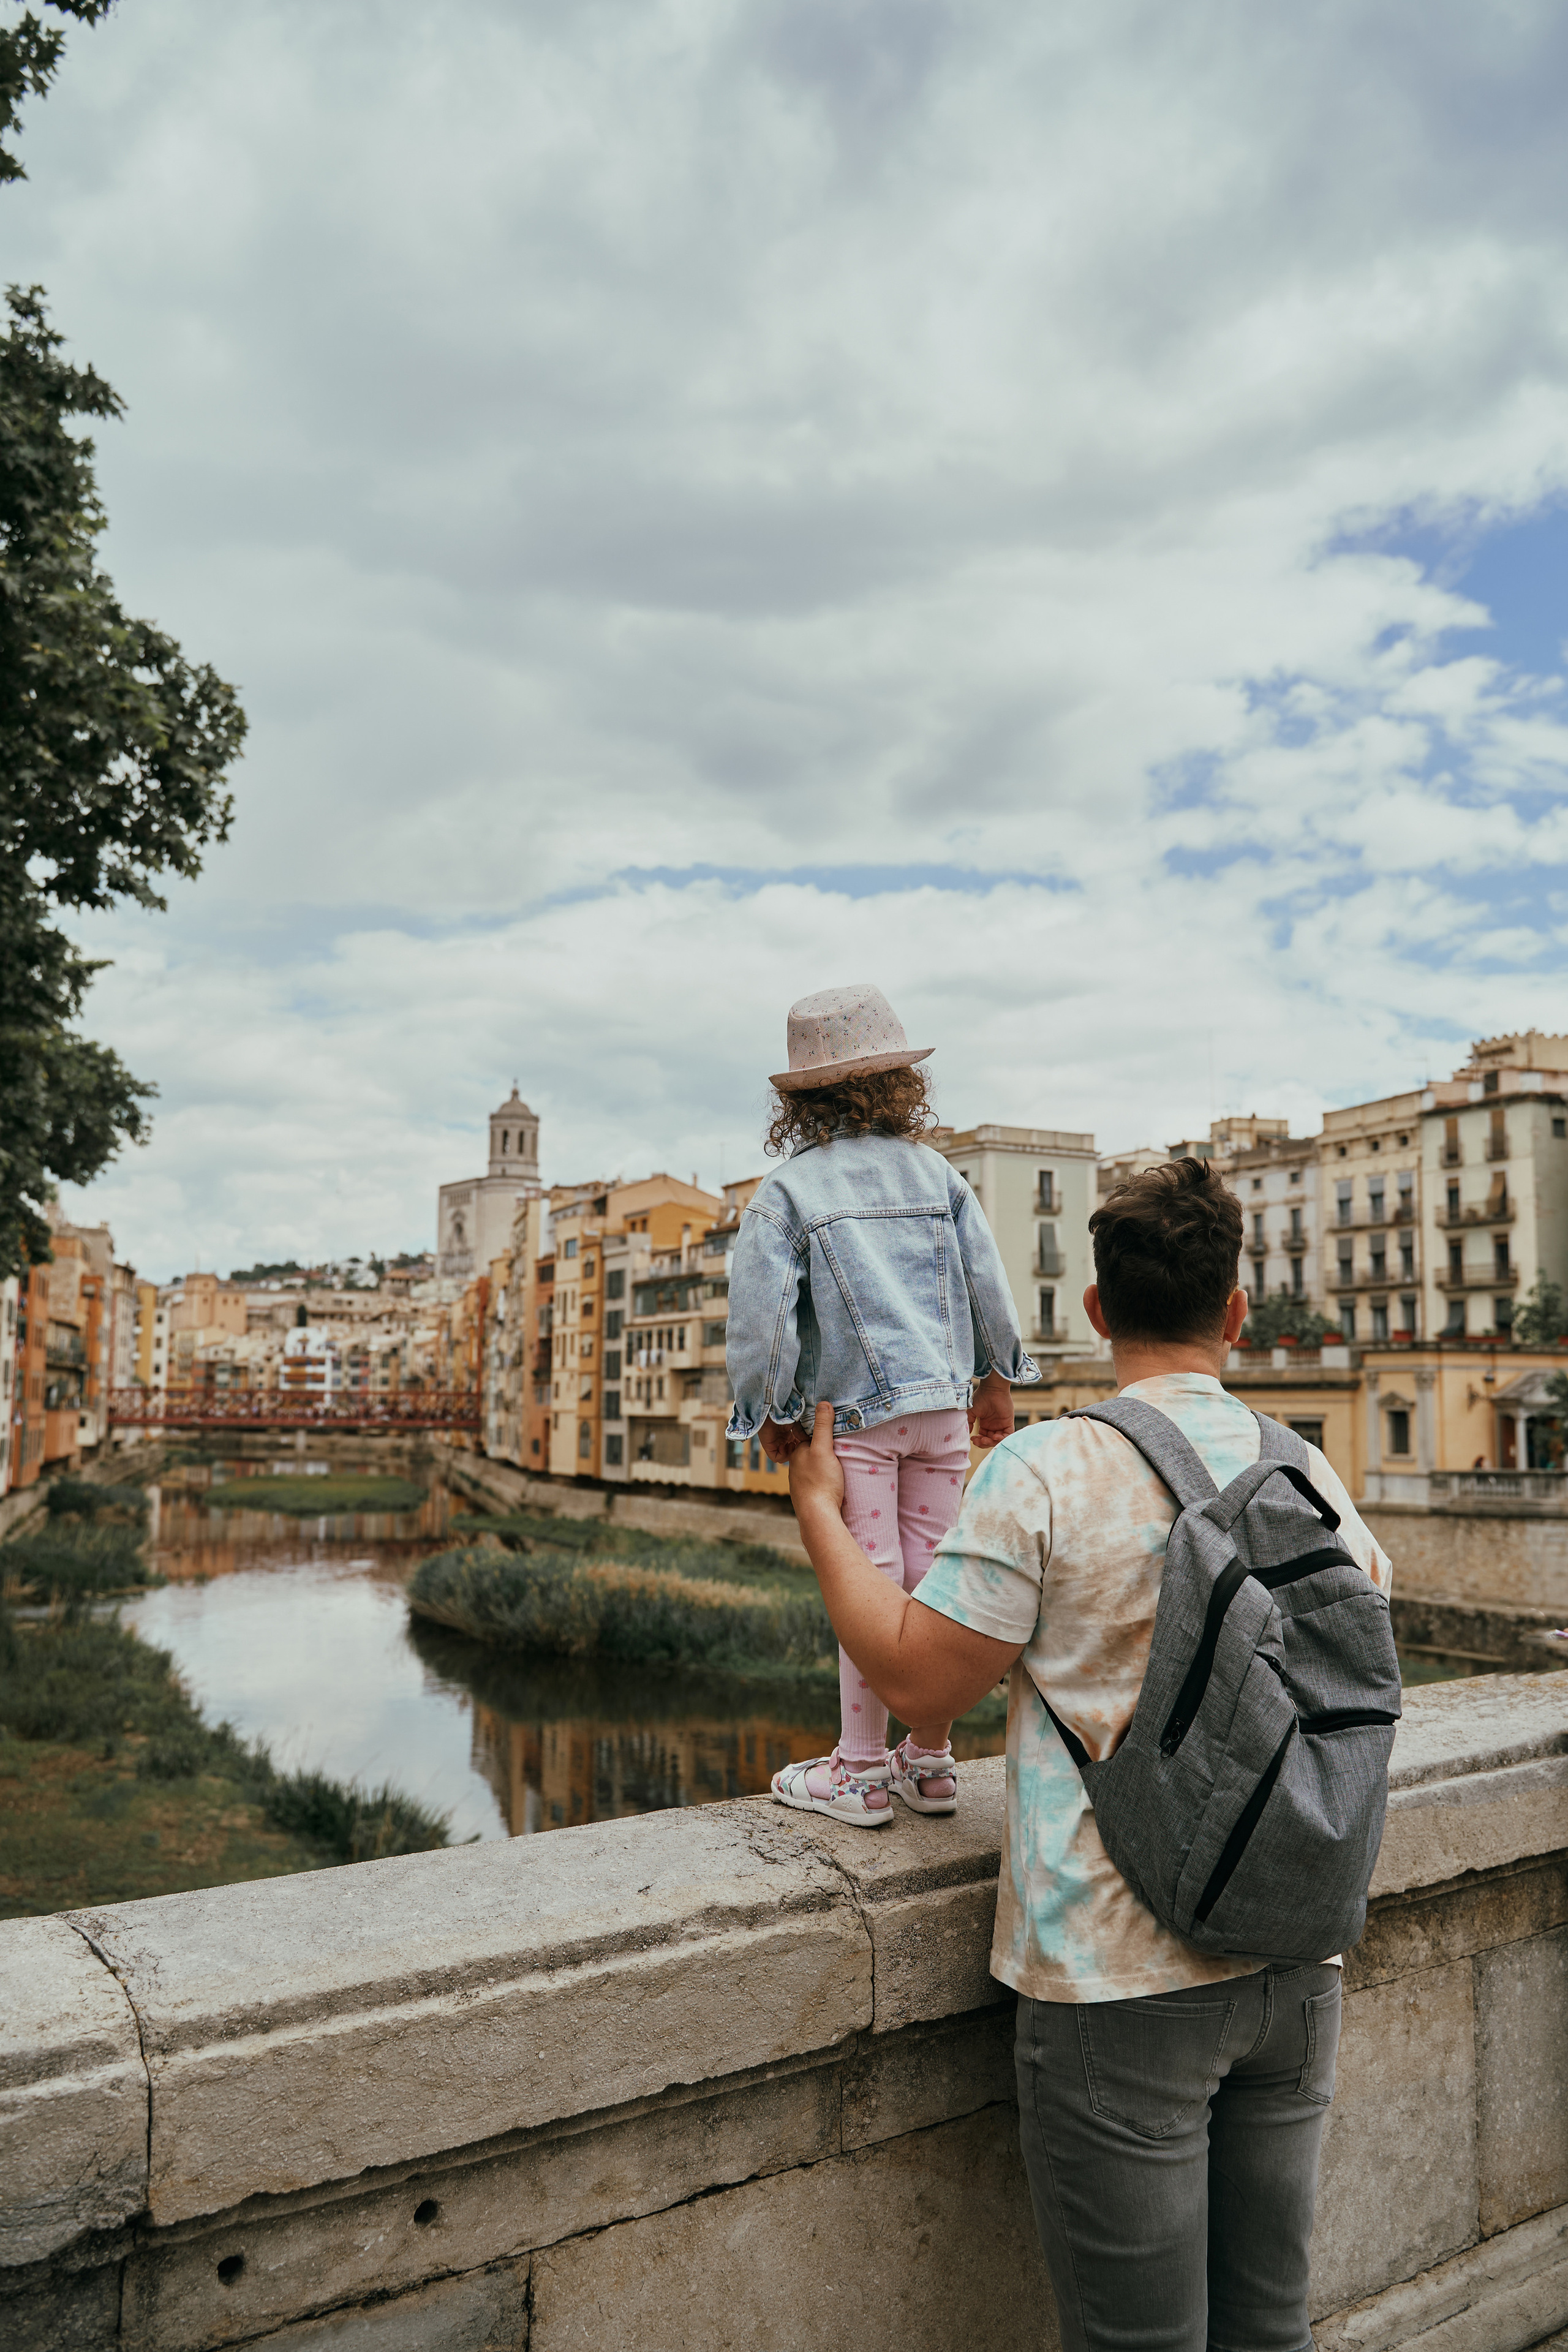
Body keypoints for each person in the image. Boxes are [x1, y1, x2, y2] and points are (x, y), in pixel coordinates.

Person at [786, 1156, 1392, 2352]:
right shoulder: (1308, 1471)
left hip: (1117, 1984)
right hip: (1295, 1956)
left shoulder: (1048, 1470)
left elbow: (915, 1681)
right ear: (1233, 1312)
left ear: (1098, 1311)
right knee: (1270, 2331)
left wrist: (817, 1508)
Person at [725, 982, 1038, 1825]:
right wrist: (998, 1377)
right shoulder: (938, 1173)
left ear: (800, 1103)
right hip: (942, 1409)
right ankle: (930, 1763)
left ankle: (860, 1769)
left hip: (850, 1418)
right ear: (902, 1087)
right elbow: (988, 1281)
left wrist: (770, 1409)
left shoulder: (788, 1191)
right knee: (935, 1576)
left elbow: (761, 1319)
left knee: (866, 1584)